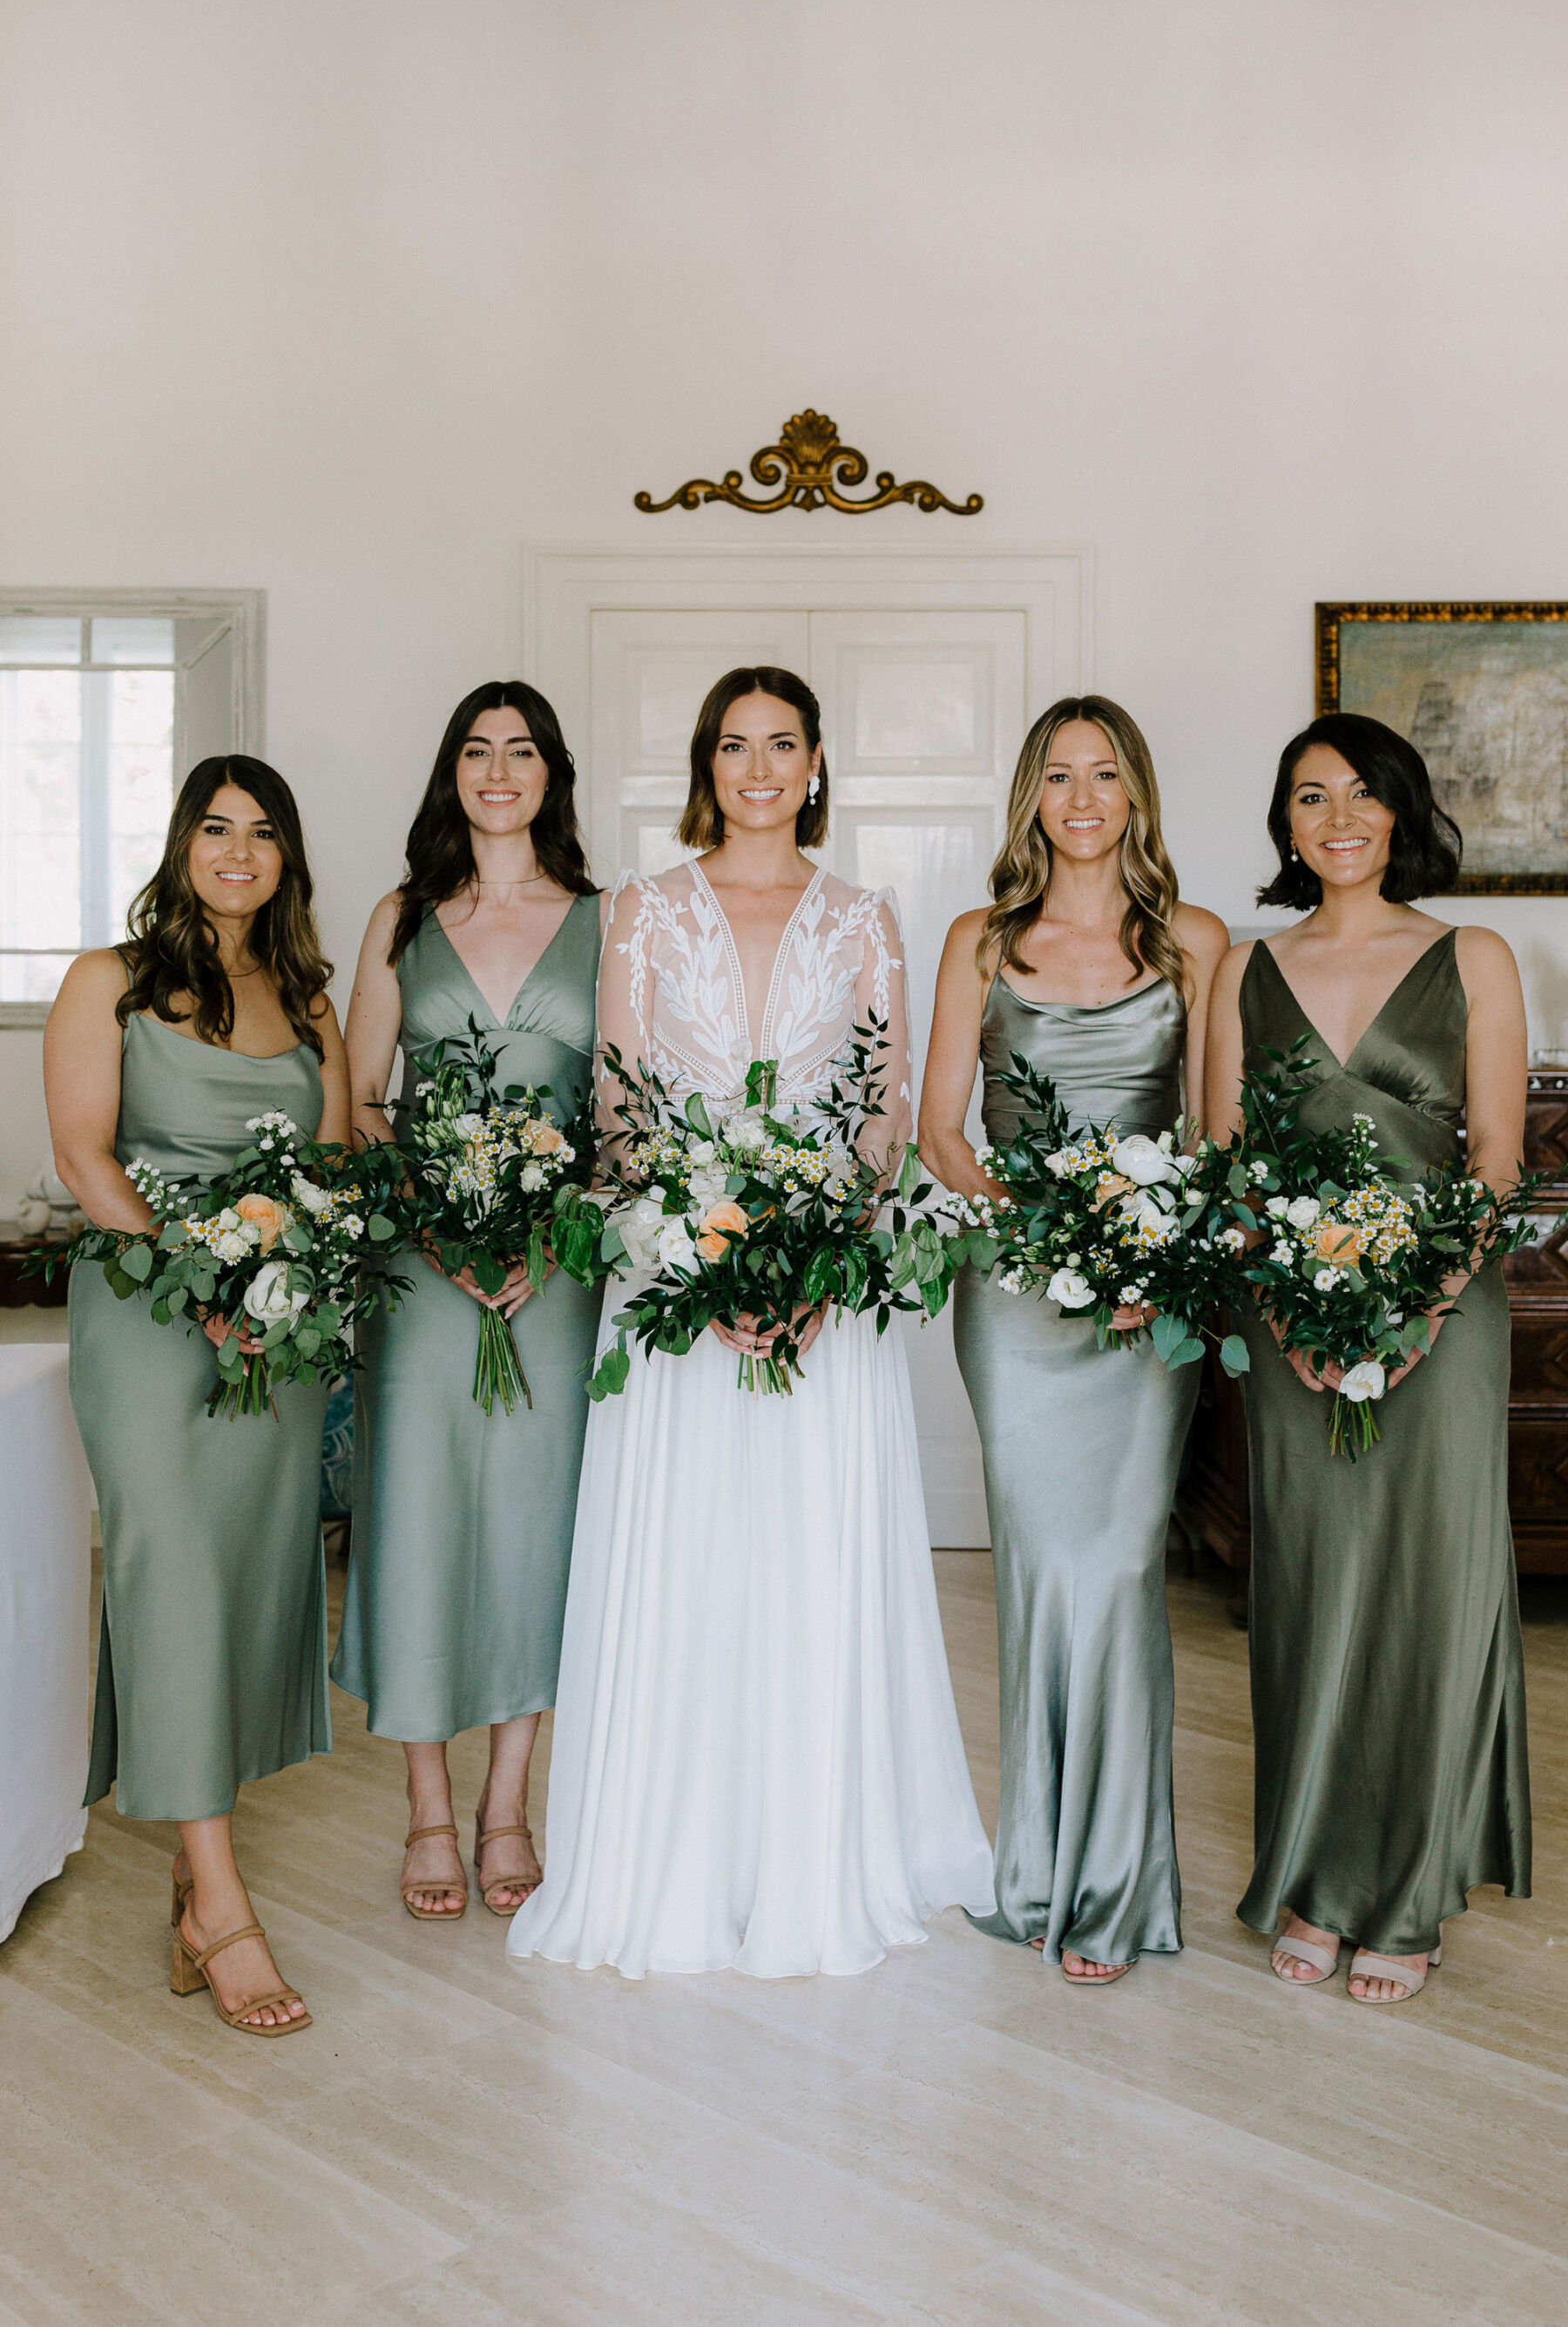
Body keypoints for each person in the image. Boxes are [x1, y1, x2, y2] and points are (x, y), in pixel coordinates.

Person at [507, 664, 995, 1979]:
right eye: (736, 746)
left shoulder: (868, 919)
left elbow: (889, 1111)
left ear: (820, 763)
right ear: (705, 767)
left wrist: (824, 1259)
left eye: (784, 744)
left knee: (804, 1554)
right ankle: (672, 1853)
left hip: (825, 1297)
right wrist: (694, 1250)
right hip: (676, 1295)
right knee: (691, 1552)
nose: (760, 768)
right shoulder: (643, 914)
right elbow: (617, 1108)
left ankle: (818, 1839)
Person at [1205, 713, 1531, 2005]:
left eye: (1358, 794)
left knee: (1427, 1590)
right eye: (1306, 797)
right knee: (1312, 1586)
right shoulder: (1239, 968)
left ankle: (1404, 1893)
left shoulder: (1478, 958)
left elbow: (1496, 1164)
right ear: (1285, 825)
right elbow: (1230, 1161)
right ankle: (1318, 1877)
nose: (1334, 817)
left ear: (1400, 810)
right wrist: (1293, 1312)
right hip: (1287, 1316)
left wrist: (1416, 1308)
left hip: (1441, 1326)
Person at [921, 695, 1228, 1984]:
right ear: (1031, 799)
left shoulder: (1200, 941)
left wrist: (1153, 1256)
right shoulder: (981, 942)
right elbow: (943, 1128)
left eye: (1106, 775)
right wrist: (1042, 1236)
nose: (1084, 797)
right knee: (1044, 1574)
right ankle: (1038, 1868)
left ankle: (1113, 1885)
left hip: (1146, 1307)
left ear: (1138, 793)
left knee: (1117, 1574)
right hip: (1015, 1302)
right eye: (1059, 775)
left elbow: (1216, 1138)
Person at [45, 754, 348, 2036]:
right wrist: (202, 1278)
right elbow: (83, 1154)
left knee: (246, 1573)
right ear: (179, 844)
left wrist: (284, 1281)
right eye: (215, 829)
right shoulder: (104, 984)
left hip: (274, 1331)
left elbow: (331, 1164)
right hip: (152, 1318)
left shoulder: (309, 999)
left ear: (286, 858)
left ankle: (192, 1863)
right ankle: (223, 1906)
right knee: (168, 1567)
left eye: (262, 833)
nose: (238, 852)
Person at [333, 681, 604, 1920]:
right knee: (420, 1517)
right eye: (478, 751)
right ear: (452, 772)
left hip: (555, 1271)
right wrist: (432, 1216)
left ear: (553, 775)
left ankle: (508, 1809)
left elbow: (622, 1112)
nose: (500, 770)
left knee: (536, 1526)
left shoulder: (607, 923)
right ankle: (428, 1815)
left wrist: (550, 1225)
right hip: (423, 1270)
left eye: (524, 751)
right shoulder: (402, 918)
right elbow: (357, 1098)